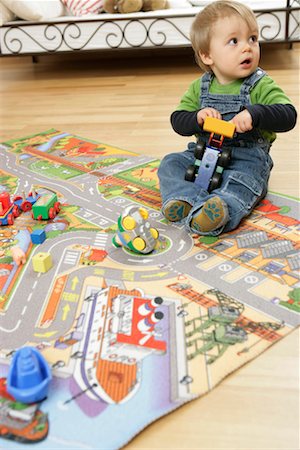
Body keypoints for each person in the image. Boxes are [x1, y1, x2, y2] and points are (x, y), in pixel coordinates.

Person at [158, 0, 297, 236]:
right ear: (207, 55)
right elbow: (177, 120)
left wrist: (257, 113)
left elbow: (288, 115)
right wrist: (197, 117)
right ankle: (185, 199)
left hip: (246, 159)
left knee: (241, 183)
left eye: (253, 38)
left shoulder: (260, 84)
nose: (247, 48)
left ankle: (220, 210)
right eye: (234, 41)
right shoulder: (199, 87)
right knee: (170, 163)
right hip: (203, 154)